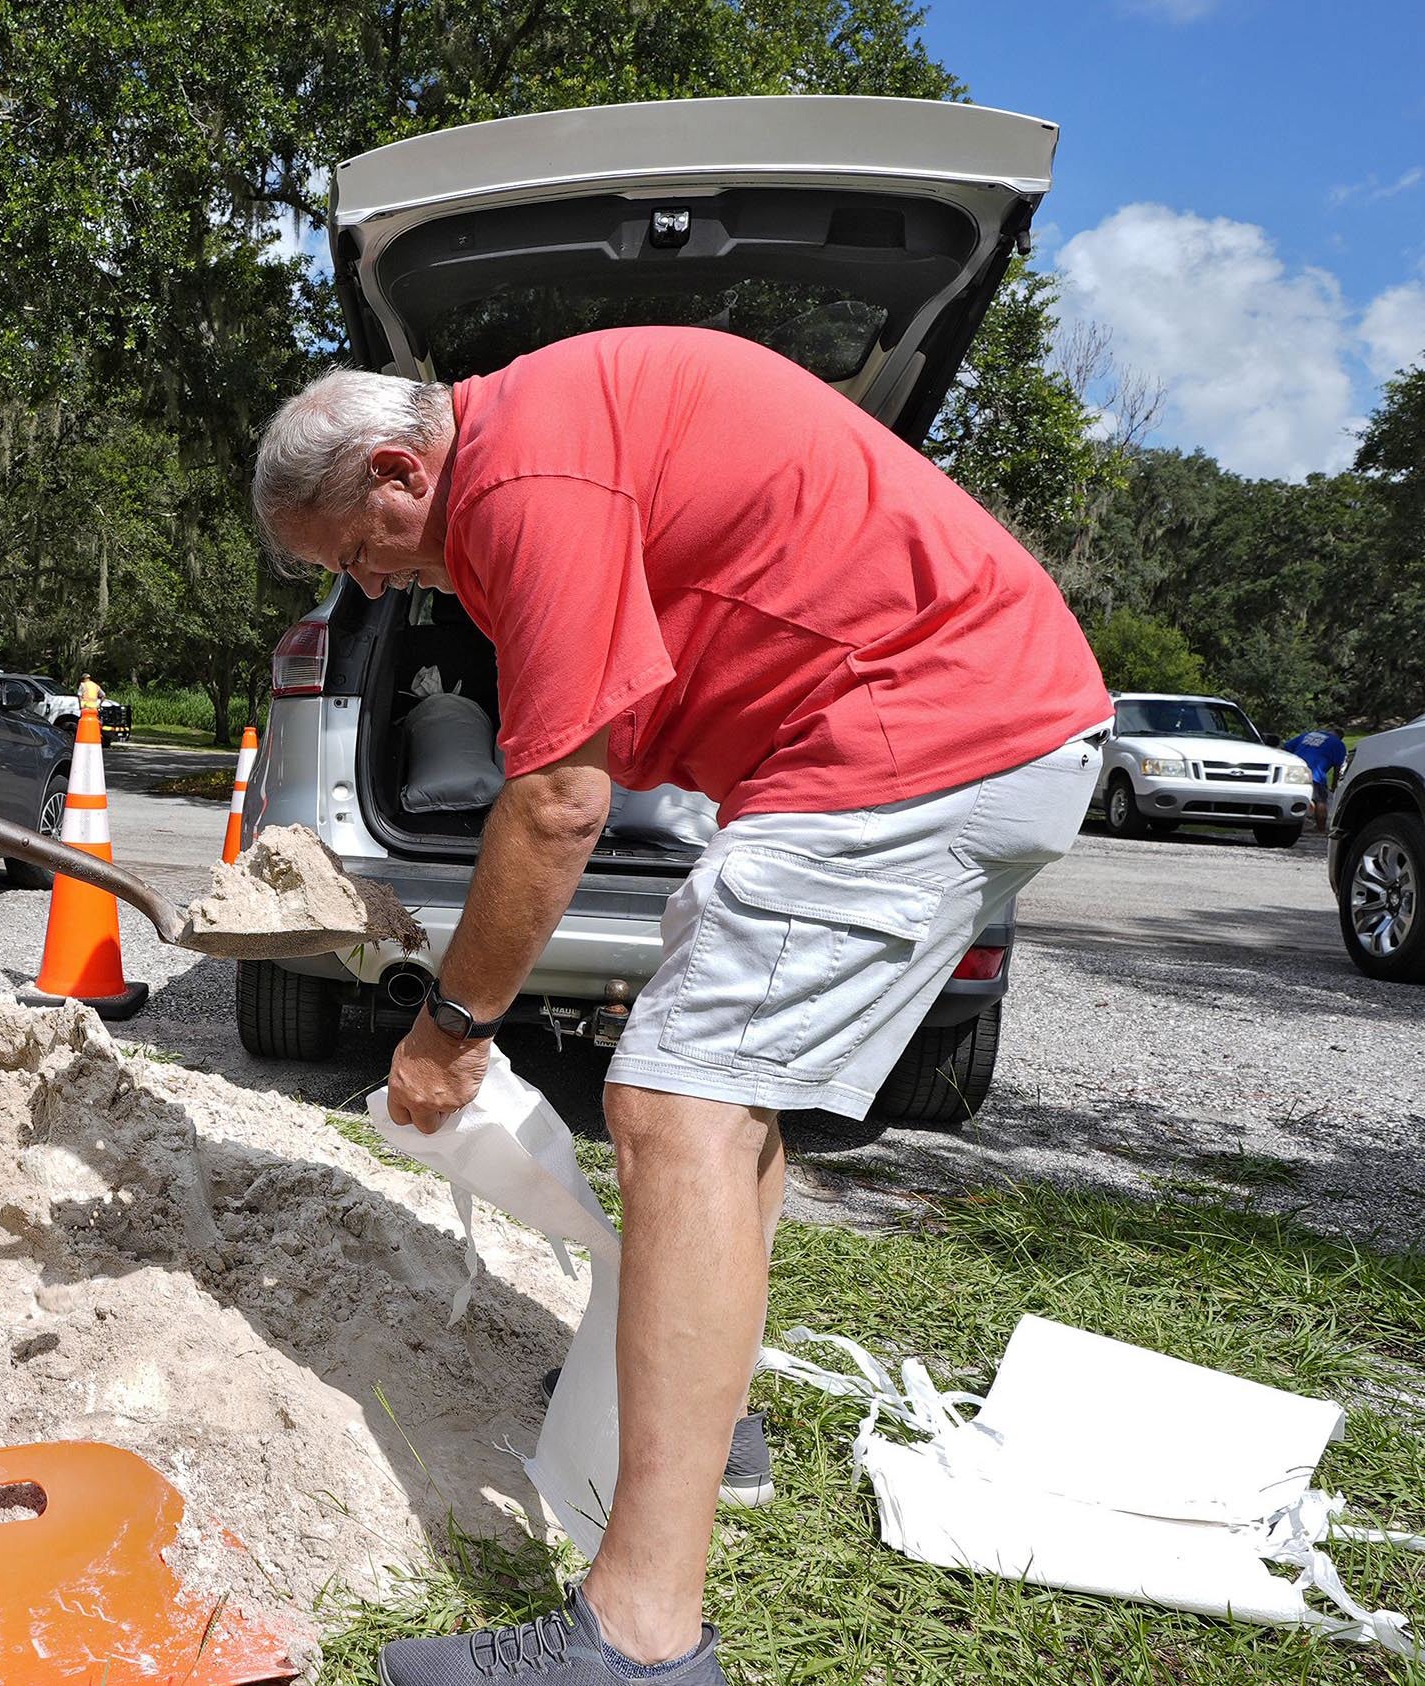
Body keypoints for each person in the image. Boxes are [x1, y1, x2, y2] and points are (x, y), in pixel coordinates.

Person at [252, 327, 1109, 1685]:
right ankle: (709, 1426)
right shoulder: (543, 443)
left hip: (916, 734)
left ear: (401, 468)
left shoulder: (531, 480)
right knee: (720, 1094)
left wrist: (451, 1030)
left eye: (354, 550)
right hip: (937, 734)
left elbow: (560, 801)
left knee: (671, 1103)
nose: (368, 584)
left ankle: (637, 1639)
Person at [1283, 726, 1348, 831]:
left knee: (1299, 797)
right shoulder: (1338, 744)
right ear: (1340, 737)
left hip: (1294, 771)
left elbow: (1286, 748)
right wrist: (1334, 785)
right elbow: (1337, 767)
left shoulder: (1307, 735)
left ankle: (1293, 826)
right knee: (1320, 800)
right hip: (1315, 774)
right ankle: (1320, 829)